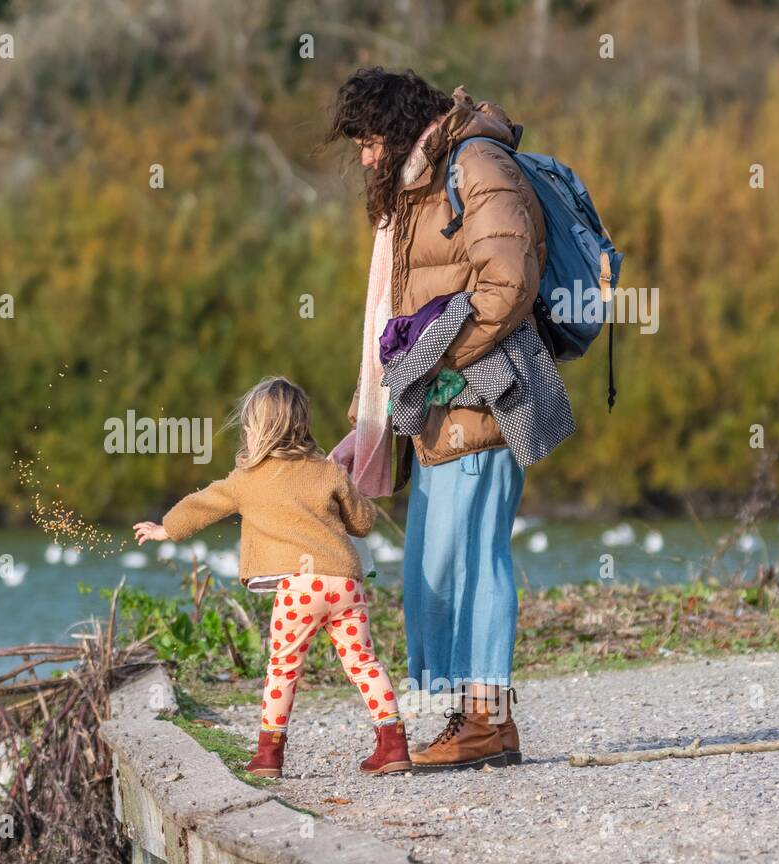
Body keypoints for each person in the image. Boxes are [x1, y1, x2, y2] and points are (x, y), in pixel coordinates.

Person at [327, 68, 557, 771]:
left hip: (482, 394)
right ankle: (468, 719)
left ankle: (485, 723)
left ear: (398, 125)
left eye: (369, 140)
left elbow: (509, 279)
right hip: (437, 404)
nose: (366, 157)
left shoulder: (476, 164)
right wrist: (374, 416)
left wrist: (443, 359)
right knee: (433, 566)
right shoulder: (423, 179)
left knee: (475, 556)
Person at [133, 376, 412, 778]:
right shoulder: (327, 472)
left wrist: (166, 528)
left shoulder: (247, 480)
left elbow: (203, 504)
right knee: (363, 662)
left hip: (299, 589)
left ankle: (269, 755)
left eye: (248, 424)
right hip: (344, 584)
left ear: (258, 430)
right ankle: (393, 744)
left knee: (283, 668)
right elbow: (364, 522)